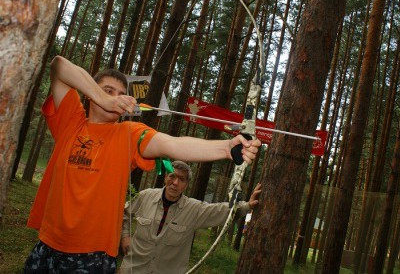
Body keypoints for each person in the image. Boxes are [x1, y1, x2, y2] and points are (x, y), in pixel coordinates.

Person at [23, 56, 261, 273]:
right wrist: (102, 97)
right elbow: (58, 66)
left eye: (121, 93)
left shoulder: (128, 133)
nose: (116, 97)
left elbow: (172, 144)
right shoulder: (71, 121)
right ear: (90, 93)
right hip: (47, 245)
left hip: (92, 256)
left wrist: (225, 148)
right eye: (108, 90)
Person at [119, 160, 262, 274]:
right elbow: (123, 212)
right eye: (172, 176)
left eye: (181, 179)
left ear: (186, 185)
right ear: (165, 178)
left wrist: (247, 205)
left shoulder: (194, 209)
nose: (175, 183)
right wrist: (125, 236)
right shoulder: (145, 196)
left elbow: (221, 210)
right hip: (133, 269)